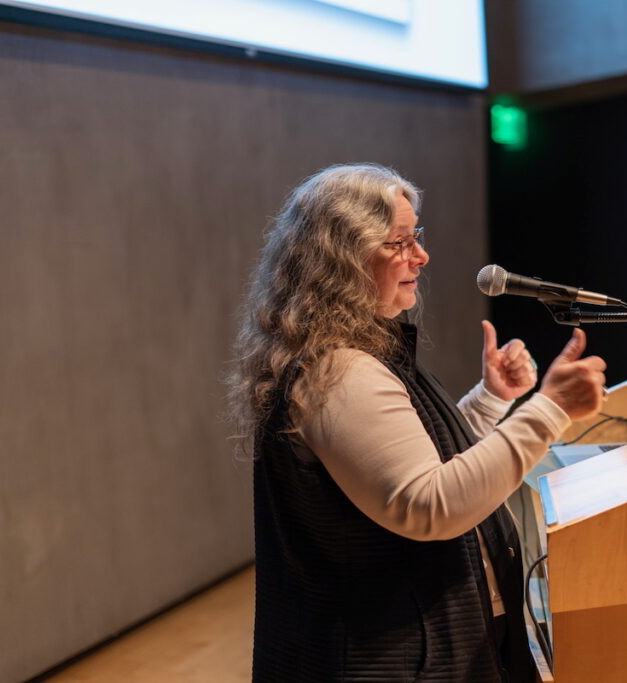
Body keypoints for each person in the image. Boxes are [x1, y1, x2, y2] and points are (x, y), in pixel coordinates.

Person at [228, 163, 606, 682]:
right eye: (399, 242)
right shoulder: (340, 370)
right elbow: (429, 505)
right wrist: (550, 409)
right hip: (388, 659)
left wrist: (491, 400)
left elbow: (409, 458)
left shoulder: (351, 351)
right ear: (345, 257)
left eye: (416, 237)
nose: (420, 256)